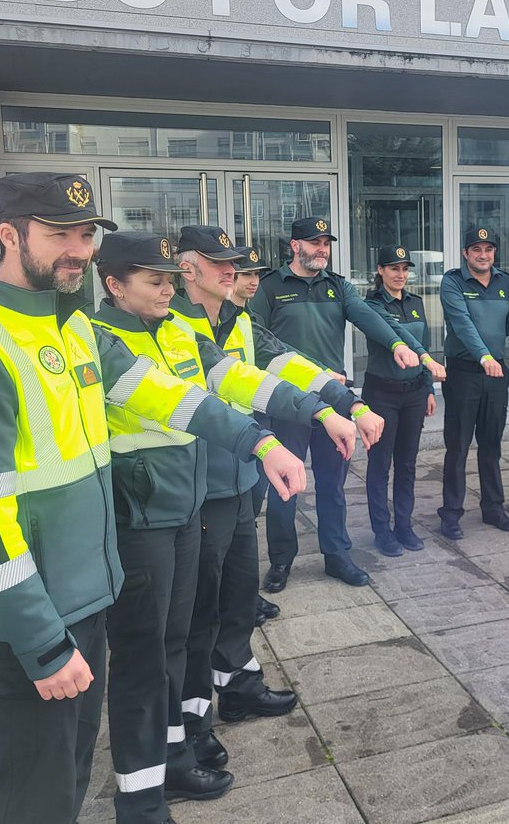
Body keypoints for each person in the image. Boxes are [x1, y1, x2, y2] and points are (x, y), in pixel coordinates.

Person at [0, 174, 306, 824]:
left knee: (66, 782)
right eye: (57, 233)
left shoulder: (75, 330)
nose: (76, 249)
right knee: (35, 798)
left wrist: (259, 444)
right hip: (34, 620)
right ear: (9, 234)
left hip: (89, 599)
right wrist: (41, 640)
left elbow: (166, 395)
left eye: (84, 235)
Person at [90, 231, 341, 819]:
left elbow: (238, 378)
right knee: (145, 658)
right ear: (113, 285)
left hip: (182, 508)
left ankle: (174, 756)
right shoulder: (99, 339)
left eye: (168, 280)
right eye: (154, 281)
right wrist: (261, 442)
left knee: (179, 642)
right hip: (138, 514)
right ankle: (139, 797)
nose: (167, 290)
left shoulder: (175, 329)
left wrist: (325, 406)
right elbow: (174, 400)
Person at [168, 225, 368, 769]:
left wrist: (343, 404)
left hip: (235, 480)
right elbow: (227, 389)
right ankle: (190, 721)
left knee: (237, 598)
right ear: (187, 270)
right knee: (196, 612)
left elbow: (291, 366)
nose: (233, 272)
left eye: (235, 263)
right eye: (219, 263)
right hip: (191, 491)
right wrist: (312, 418)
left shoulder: (237, 320)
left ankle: (238, 685)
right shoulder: (171, 326)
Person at [252, 216, 425, 590]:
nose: (322, 250)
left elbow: (368, 318)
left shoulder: (338, 287)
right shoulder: (269, 287)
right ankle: (281, 561)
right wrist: (315, 370)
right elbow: (260, 344)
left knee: (333, 483)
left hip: (333, 401)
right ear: (294, 246)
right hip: (288, 402)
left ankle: (336, 555)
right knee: (286, 483)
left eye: (326, 243)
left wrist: (398, 344)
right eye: (314, 243)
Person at [362, 245, 447, 555]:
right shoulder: (371, 304)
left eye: (405, 269)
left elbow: (422, 343)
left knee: (407, 464)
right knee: (380, 465)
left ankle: (404, 526)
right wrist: (426, 362)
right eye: (393, 268)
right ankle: (382, 531)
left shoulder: (416, 302)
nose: (400, 274)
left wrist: (428, 389)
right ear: (380, 271)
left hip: (412, 393)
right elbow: (395, 332)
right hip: (382, 394)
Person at [438, 226, 509, 538]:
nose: (483, 255)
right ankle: (451, 514)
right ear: (465, 253)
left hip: (496, 374)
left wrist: (492, 355)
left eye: (488, 249)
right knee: (457, 447)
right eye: (476, 250)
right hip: (464, 374)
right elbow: (462, 324)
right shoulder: (453, 282)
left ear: (494, 253)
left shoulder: (504, 283)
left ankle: (494, 509)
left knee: (491, 446)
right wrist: (484, 355)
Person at [230, 245, 278, 626]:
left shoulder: (247, 318)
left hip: (252, 429)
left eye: (255, 275)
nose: (252, 282)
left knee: (250, 515)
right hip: (223, 438)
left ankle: (246, 595)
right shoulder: (203, 322)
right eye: (245, 274)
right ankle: (235, 599)